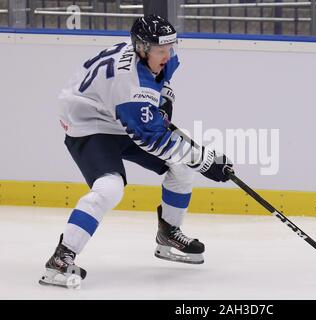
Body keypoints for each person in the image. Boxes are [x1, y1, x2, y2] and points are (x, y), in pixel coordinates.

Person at [39, 15, 233, 288]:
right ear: (142, 48)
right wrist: (204, 161)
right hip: (88, 122)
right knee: (109, 187)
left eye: (170, 48)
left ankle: (168, 232)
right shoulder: (129, 83)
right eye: (161, 51)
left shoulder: (154, 57)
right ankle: (61, 258)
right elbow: (153, 139)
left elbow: (162, 84)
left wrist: (163, 102)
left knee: (181, 165)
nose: (168, 55)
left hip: (116, 112)